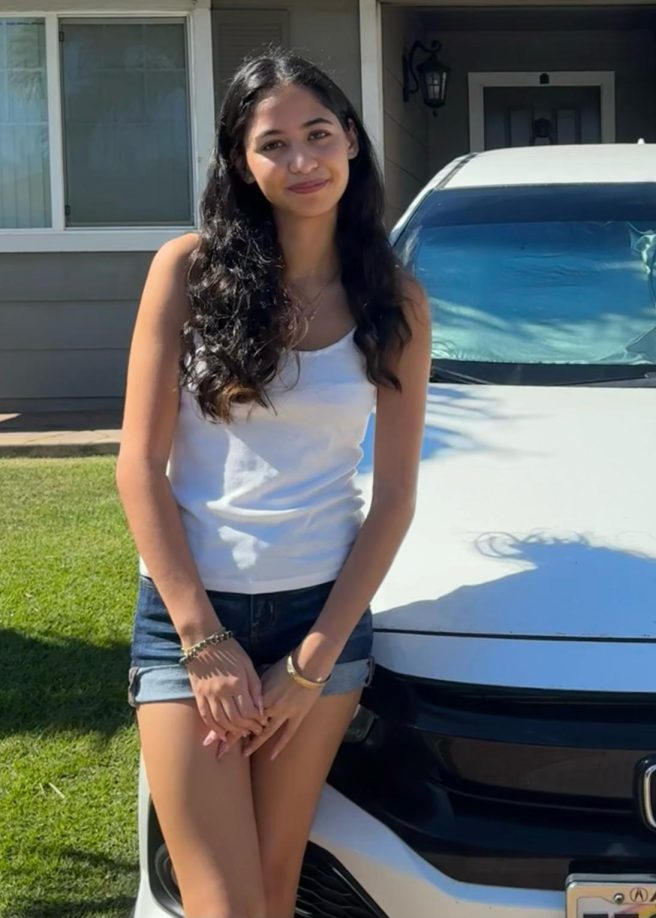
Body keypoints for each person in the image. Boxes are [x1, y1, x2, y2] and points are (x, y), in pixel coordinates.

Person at [116, 49, 430, 918]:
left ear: (353, 144)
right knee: (225, 905)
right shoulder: (186, 273)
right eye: (274, 144)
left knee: (276, 892)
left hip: (317, 623)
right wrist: (202, 640)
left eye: (318, 134)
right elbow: (138, 467)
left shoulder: (394, 301)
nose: (301, 161)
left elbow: (395, 495)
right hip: (192, 621)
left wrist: (311, 662)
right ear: (241, 165)